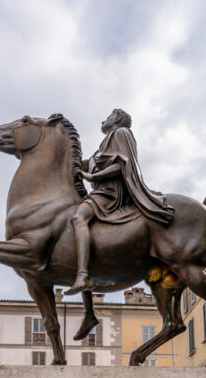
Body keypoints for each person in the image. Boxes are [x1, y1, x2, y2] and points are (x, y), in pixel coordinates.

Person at [66, 109, 175, 296]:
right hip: (102, 191)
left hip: (110, 192)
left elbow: (122, 165)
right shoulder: (104, 144)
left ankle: (83, 274)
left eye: (108, 116)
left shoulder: (121, 133)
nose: (104, 118)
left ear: (117, 119)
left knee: (79, 218)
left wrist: (92, 176)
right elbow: (85, 164)